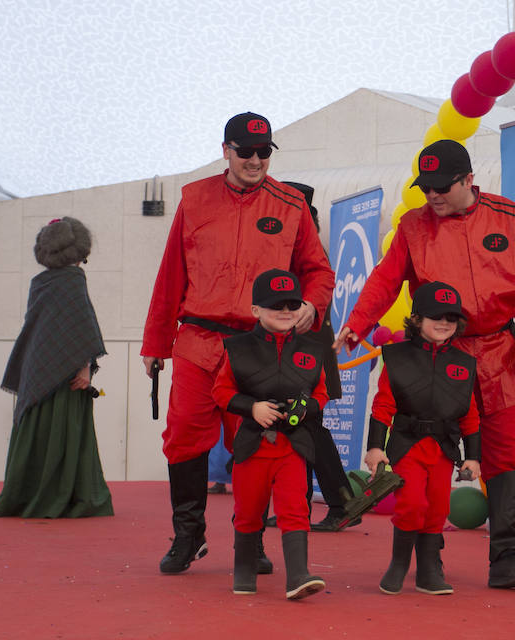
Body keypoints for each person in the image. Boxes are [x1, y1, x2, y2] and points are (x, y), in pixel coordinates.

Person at [334, 139, 515, 588]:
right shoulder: (413, 226)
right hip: (441, 356)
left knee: (507, 455)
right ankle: (425, 562)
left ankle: (507, 558)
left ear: (469, 180)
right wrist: (355, 325)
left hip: (500, 355)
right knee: (426, 457)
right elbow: (385, 281)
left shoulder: (509, 217)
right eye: (424, 186)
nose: (431, 195)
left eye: (440, 187)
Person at [141, 112, 334, 574]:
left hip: (258, 347)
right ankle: (188, 536)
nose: (254, 160)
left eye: (263, 152)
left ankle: (251, 542)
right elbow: (172, 275)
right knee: (183, 437)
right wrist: (156, 343)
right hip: (197, 341)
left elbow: (320, 271)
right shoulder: (195, 199)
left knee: (254, 443)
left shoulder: (290, 205)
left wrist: (311, 303)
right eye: (244, 151)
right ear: (225, 150)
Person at [212, 269, 328, 599]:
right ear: (255, 311)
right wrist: (252, 408)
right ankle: (244, 574)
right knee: (248, 512)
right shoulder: (237, 348)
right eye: (276, 305)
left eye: (292, 304)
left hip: (294, 446)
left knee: (295, 509)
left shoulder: (314, 350)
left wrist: (306, 409)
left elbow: (322, 395)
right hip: (252, 446)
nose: (285, 312)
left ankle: (298, 576)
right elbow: (220, 392)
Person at [0, 217, 113, 518]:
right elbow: (81, 326)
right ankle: (64, 495)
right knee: (64, 428)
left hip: (36, 368)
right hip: (66, 375)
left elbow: (40, 329)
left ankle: (25, 493)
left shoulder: (39, 282)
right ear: (80, 249)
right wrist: (85, 367)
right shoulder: (74, 279)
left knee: (36, 427)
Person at [364, 281, 481, 595]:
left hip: (443, 449)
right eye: (435, 316)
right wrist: (375, 448)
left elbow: (470, 414)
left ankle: (428, 571)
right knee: (412, 504)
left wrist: (473, 456)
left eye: (451, 317)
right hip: (407, 446)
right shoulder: (397, 357)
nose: (444, 323)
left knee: (438, 509)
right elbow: (383, 404)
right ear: (416, 319)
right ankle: (398, 564)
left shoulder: (464, 364)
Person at [282, 181, 361, 532]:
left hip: (306, 357)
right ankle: (298, 505)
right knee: (299, 430)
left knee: (310, 429)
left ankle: (342, 501)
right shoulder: (305, 240)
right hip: (303, 356)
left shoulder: (302, 244)